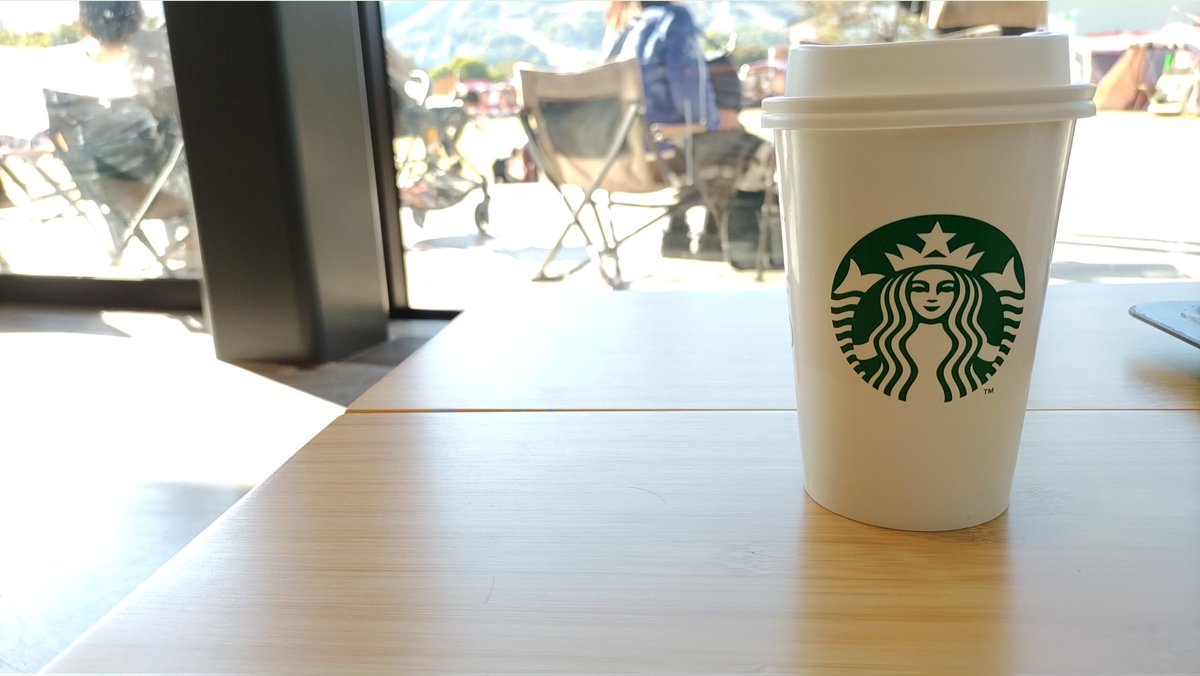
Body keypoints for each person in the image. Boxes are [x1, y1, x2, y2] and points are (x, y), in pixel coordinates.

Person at [606, 0, 771, 263]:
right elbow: (691, 98)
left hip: (622, 158)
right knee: (757, 151)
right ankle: (722, 238)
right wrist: (715, 120)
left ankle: (677, 232)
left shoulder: (624, 30)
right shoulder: (674, 19)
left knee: (710, 145)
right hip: (666, 152)